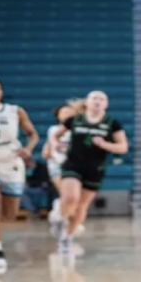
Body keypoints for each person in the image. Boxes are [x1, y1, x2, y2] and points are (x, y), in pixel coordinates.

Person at [51, 91, 128, 253]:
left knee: (81, 206)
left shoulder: (113, 123)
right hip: (73, 164)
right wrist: (56, 144)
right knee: (71, 197)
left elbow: (123, 147)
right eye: (94, 98)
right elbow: (54, 136)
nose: (98, 101)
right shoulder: (74, 120)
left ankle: (67, 237)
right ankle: (60, 218)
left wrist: (105, 145)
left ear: (106, 104)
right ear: (87, 102)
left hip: (95, 168)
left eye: (102, 99)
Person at [0, 79, 38, 275]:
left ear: (1, 92)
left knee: (8, 215)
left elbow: (32, 134)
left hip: (10, 162)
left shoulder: (15, 111)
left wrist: (28, 149)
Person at [42, 100, 84, 234]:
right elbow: (48, 146)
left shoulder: (79, 129)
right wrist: (47, 150)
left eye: (70, 112)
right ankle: (62, 218)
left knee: (75, 197)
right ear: (58, 116)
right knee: (67, 193)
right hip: (57, 166)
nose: (67, 114)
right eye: (64, 112)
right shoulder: (54, 130)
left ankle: (60, 213)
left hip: (75, 166)